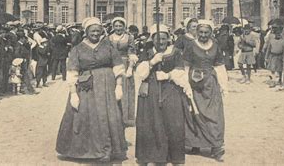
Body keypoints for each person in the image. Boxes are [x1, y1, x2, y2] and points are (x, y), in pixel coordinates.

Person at [56, 17, 127, 163]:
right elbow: (72, 72)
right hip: (86, 88)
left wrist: (119, 86)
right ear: (86, 32)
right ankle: (81, 149)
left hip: (107, 87)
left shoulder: (108, 47)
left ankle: (107, 150)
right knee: (86, 116)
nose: (95, 33)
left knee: (106, 117)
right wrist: (73, 94)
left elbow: (118, 67)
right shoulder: (78, 49)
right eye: (92, 31)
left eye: (98, 31)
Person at [134, 24, 191, 165]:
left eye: (164, 39)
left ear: (168, 39)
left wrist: (168, 75)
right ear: (152, 40)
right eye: (158, 39)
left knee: (173, 122)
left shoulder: (175, 52)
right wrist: (152, 62)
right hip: (151, 89)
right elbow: (140, 73)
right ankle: (152, 156)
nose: (161, 42)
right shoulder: (147, 52)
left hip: (171, 89)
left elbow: (181, 71)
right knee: (151, 123)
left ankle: (174, 157)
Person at [183, 20, 228, 162]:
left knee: (214, 114)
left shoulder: (215, 46)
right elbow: (185, 65)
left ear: (211, 33)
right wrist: (185, 84)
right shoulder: (191, 46)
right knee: (194, 114)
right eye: (200, 32)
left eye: (206, 32)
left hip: (210, 84)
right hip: (194, 84)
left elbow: (220, 65)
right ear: (197, 32)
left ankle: (216, 147)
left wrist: (223, 85)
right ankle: (196, 144)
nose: (203, 35)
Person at [108, 17, 139, 128]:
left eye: (120, 26)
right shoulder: (109, 38)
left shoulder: (129, 37)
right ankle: (113, 117)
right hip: (113, 66)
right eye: (116, 26)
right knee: (112, 90)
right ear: (113, 27)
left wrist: (130, 67)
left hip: (125, 65)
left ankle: (125, 117)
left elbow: (132, 52)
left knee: (125, 91)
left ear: (124, 26)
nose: (118, 28)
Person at [264, 22, 284, 87]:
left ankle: (280, 80)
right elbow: (268, 49)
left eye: (279, 34)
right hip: (272, 56)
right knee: (272, 69)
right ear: (275, 34)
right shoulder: (271, 40)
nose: (278, 35)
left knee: (280, 69)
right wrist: (266, 57)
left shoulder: (283, 41)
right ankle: (273, 81)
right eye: (277, 34)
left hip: (280, 56)